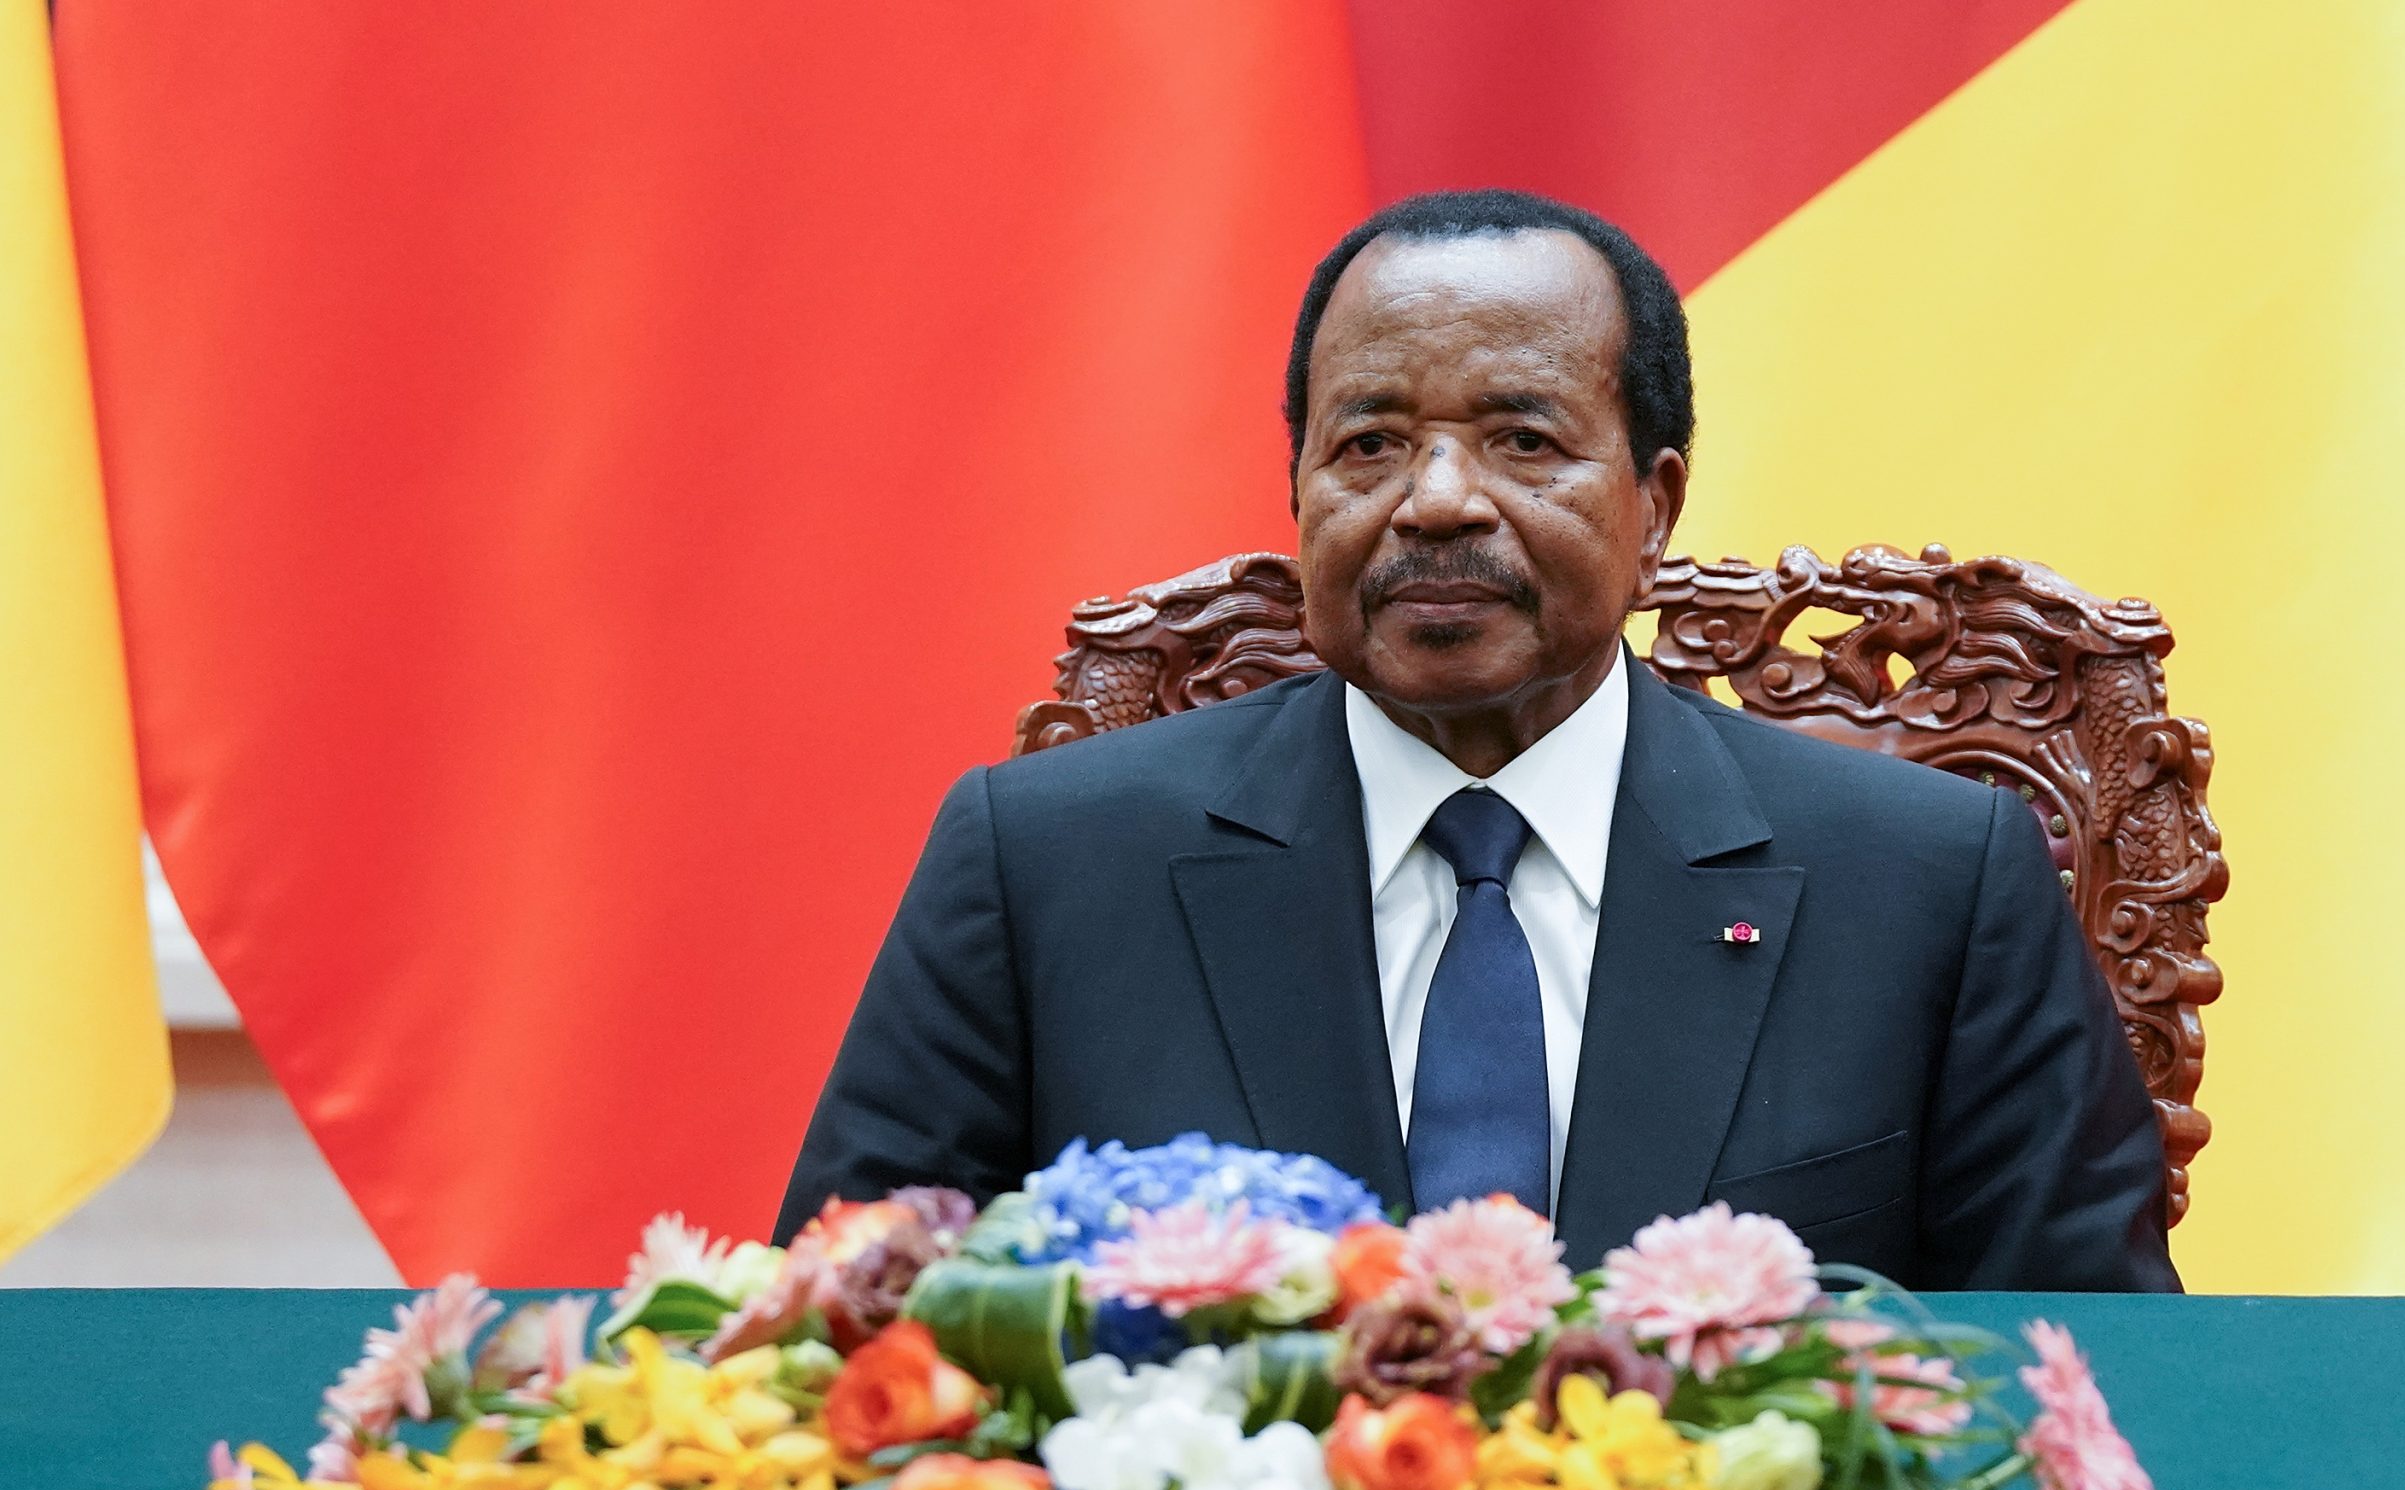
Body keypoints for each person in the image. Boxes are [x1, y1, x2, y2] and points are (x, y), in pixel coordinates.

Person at [777, 189, 2178, 1290]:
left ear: (1656, 505)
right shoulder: (1045, 866)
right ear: (1299, 489)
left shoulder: (1929, 883)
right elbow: (838, 1343)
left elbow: (2095, 1391)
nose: (1436, 501)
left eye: (1521, 440)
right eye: (1370, 445)